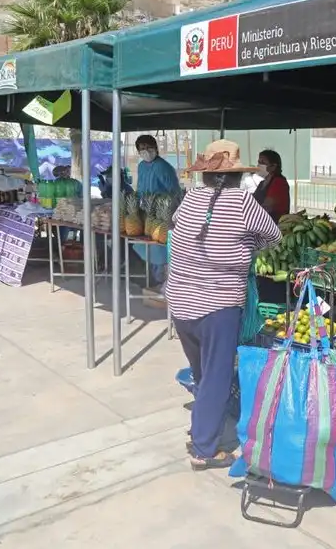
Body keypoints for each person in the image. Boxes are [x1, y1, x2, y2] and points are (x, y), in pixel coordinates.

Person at [165, 140, 282, 470]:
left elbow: (177, 227)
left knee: (203, 373)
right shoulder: (243, 203)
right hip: (217, 305)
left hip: (181, 301)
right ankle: (204, 449)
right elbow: (273, 235)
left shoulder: (189, 199)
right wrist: (247, 243)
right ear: (235, 176)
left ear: (204, 175)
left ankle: (201, 428)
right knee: (216, 376)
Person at [132, 134, 180, 287]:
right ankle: (154, 280)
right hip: (146, 211)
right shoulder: (141, 166)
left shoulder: (164, 167)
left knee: (159, 249)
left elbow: (175, 192)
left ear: (156, 148)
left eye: (148, 148)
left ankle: (164, 281)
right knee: (146, 246)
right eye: (142, 149)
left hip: (163, 213)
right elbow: (139, 188)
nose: (145, 151)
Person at [252, 149, 291, 223]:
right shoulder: (262, 183)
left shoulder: (279, 183)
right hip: (261, 223)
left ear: (273, 166)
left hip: (275, 225)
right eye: (259, 162)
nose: (259, 165)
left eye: (262, 163)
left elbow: (268, 206)